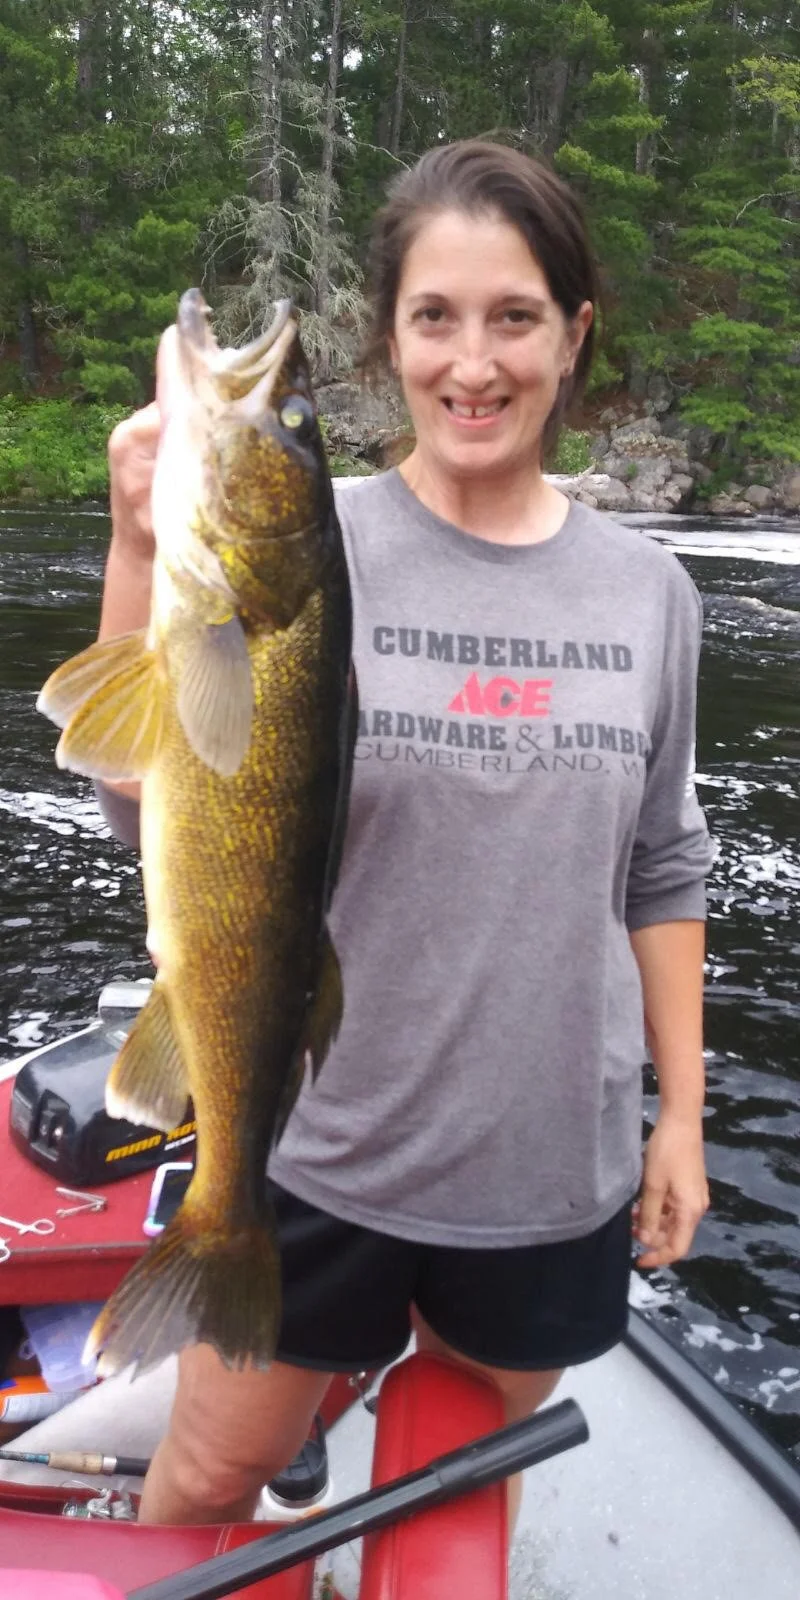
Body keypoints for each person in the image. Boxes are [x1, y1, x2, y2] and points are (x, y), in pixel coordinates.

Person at [96, 139, 713, 1529]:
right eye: (436, 317)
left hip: (552, 1161)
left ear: (574, 335)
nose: (473, 363)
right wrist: (140, 551)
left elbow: (664, 867)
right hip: (318, 1145)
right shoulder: (315, 539)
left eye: (515, 318)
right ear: (393, 338)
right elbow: (142, 790)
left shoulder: (650, 594)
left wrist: (681, 1116)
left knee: (443, 1510)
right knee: (201, 1476)